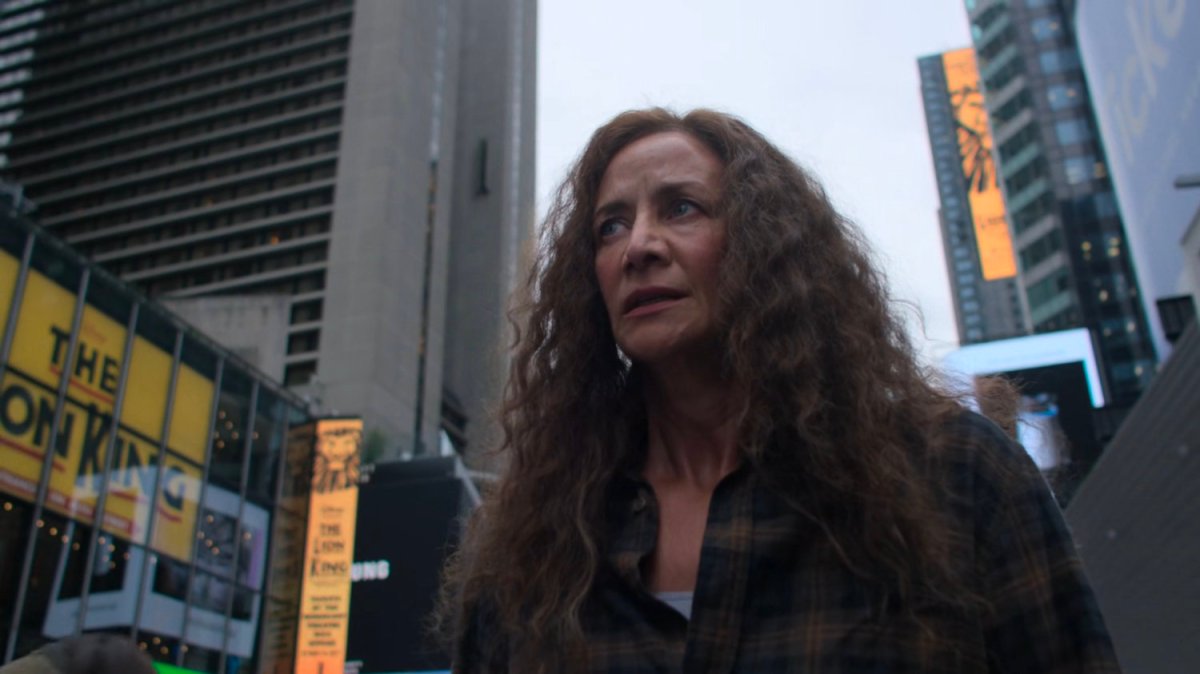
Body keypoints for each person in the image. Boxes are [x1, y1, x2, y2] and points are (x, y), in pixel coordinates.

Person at [437, 108, 1120, 673]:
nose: (637, 245)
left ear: (766, 249)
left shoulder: (955, 475)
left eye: (682, 208)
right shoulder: (528, 543)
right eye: (610, 225)